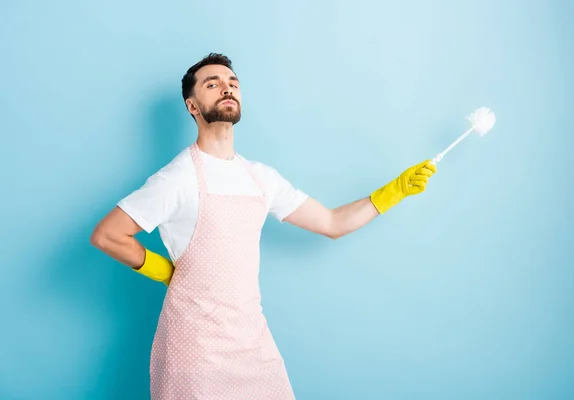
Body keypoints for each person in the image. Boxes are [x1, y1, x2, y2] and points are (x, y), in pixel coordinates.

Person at [90, 53, 436, 399]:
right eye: (213, 84)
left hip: (251, 341)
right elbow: (108, 235)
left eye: (232, 83)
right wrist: (164, 270)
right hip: (194, 346)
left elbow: (332, 222)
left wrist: (394, 192)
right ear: (192, 106)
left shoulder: (260, 178)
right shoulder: (178, 178)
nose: (226, 88)